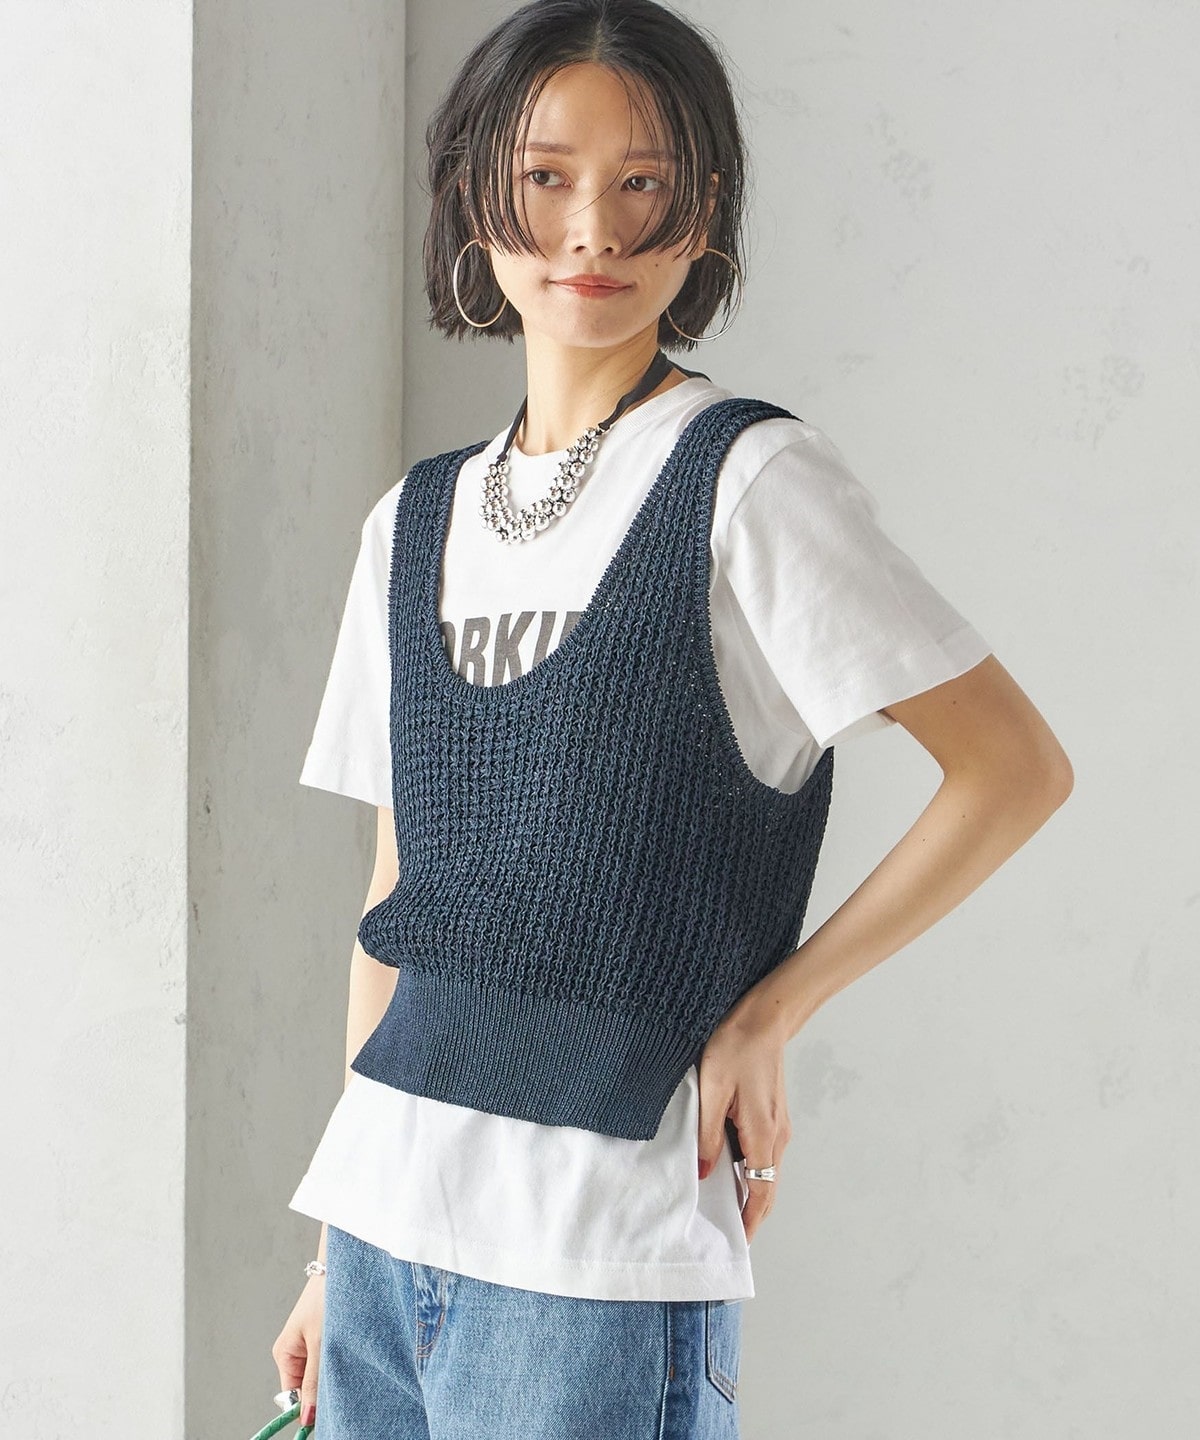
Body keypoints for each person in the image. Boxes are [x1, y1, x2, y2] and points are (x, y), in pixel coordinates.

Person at [270, 1, 1074, 1435]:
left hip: (595, 1260)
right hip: (383, 1240)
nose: (593, 229)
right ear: (475, 195)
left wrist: (775, 1011)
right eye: (547, 177)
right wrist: (335, 1249)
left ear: (703, 215)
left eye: (644, 183)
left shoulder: (746, 481)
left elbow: (1013, 768)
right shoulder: (415, 521)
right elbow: (397, 898)